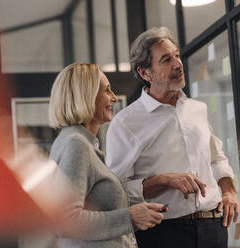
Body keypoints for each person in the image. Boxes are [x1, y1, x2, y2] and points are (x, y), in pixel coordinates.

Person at [106, 27, 239, 248]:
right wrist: (163, 180)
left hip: (213, 228)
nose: (178, 64)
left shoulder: (198, 109)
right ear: (145, 73)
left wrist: (229, 190)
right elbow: (116, 192)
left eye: (177, 55)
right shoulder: (125, 123)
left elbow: (217, 159)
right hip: (164, 234)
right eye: (166, 60)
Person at [48, 62, 165, 248]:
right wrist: (130, 216)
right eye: (107, 90)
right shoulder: (76, 145)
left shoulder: (80, 142)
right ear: (85, 95)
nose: (114, 98)